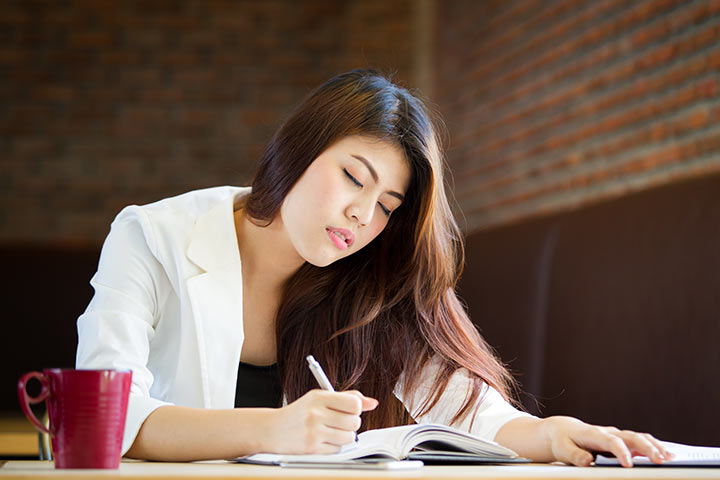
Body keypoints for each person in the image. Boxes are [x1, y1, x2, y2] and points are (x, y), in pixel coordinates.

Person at [76, 69, 672, 467]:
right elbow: (102, 412)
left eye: (387, 205)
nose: (362, 215)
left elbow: (466, 406)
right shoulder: (152, 236)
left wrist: (547, 435)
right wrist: (273, 429)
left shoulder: (365, 275)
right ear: (300, 149)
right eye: (354, 178)